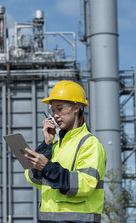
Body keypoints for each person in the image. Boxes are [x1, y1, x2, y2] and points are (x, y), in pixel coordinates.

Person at [24, 80, 106, 223]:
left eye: (60, 109)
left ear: (76, 108)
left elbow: (86, 184)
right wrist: (46, 144)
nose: (55, 115)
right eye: (53, 110)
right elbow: (34, 179)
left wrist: (47, 167)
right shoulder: (54, 145)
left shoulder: (89, 143)